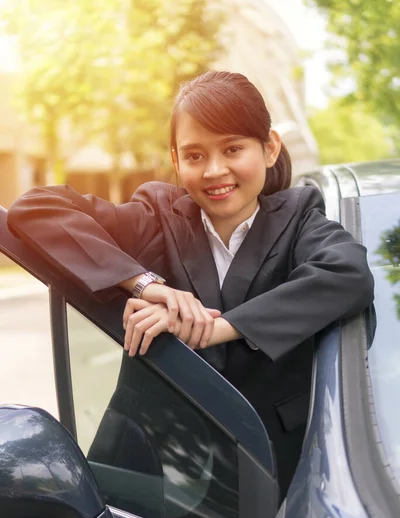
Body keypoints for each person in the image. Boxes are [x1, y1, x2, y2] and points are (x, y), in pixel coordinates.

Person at [7, 71, 374, 495]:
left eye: (233, 148)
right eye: (195, 155)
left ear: (270, 148)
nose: (215, 170)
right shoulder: (157, 218)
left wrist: (212, 329)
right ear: (176, 161)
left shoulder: (301, 220)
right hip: (150, 472)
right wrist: (146, 284)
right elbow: (36, 208)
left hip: (271, 470)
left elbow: (347, 274)